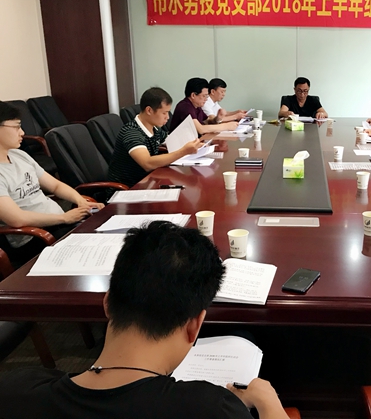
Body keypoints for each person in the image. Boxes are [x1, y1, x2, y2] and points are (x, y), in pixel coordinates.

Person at [0, 221, 288, 418]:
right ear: (194, 325)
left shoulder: (14, 391)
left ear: (107, 303)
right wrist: (268, 402)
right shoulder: (213, 408)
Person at [0, 101, 104, 265]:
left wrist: (80, 201)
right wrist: (64, 218)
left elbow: (55, 185)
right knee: (97, 248)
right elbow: (17, 219)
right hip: (34, 237)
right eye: (16, 127)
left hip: (57, 224)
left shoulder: (19, 155)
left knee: (103, 229)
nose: (22, 132)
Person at [108, 87, 204, 188]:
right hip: (128, 189)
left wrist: (195, 143)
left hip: (148, 182)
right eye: (164, 113)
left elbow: (170, 140)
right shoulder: (131, 132)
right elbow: (147, 163)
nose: (167, 117)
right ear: (149, 110)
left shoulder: (154, 129)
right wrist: (184, 151)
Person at [170, 78, 238, 135]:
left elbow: (207, 121)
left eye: (207, 96)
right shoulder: (185, 107)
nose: (206, 99)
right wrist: (226, 126)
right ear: (193, 95)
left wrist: (217, 119)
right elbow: (201, 129)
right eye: (204, 96)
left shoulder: (197, 106)